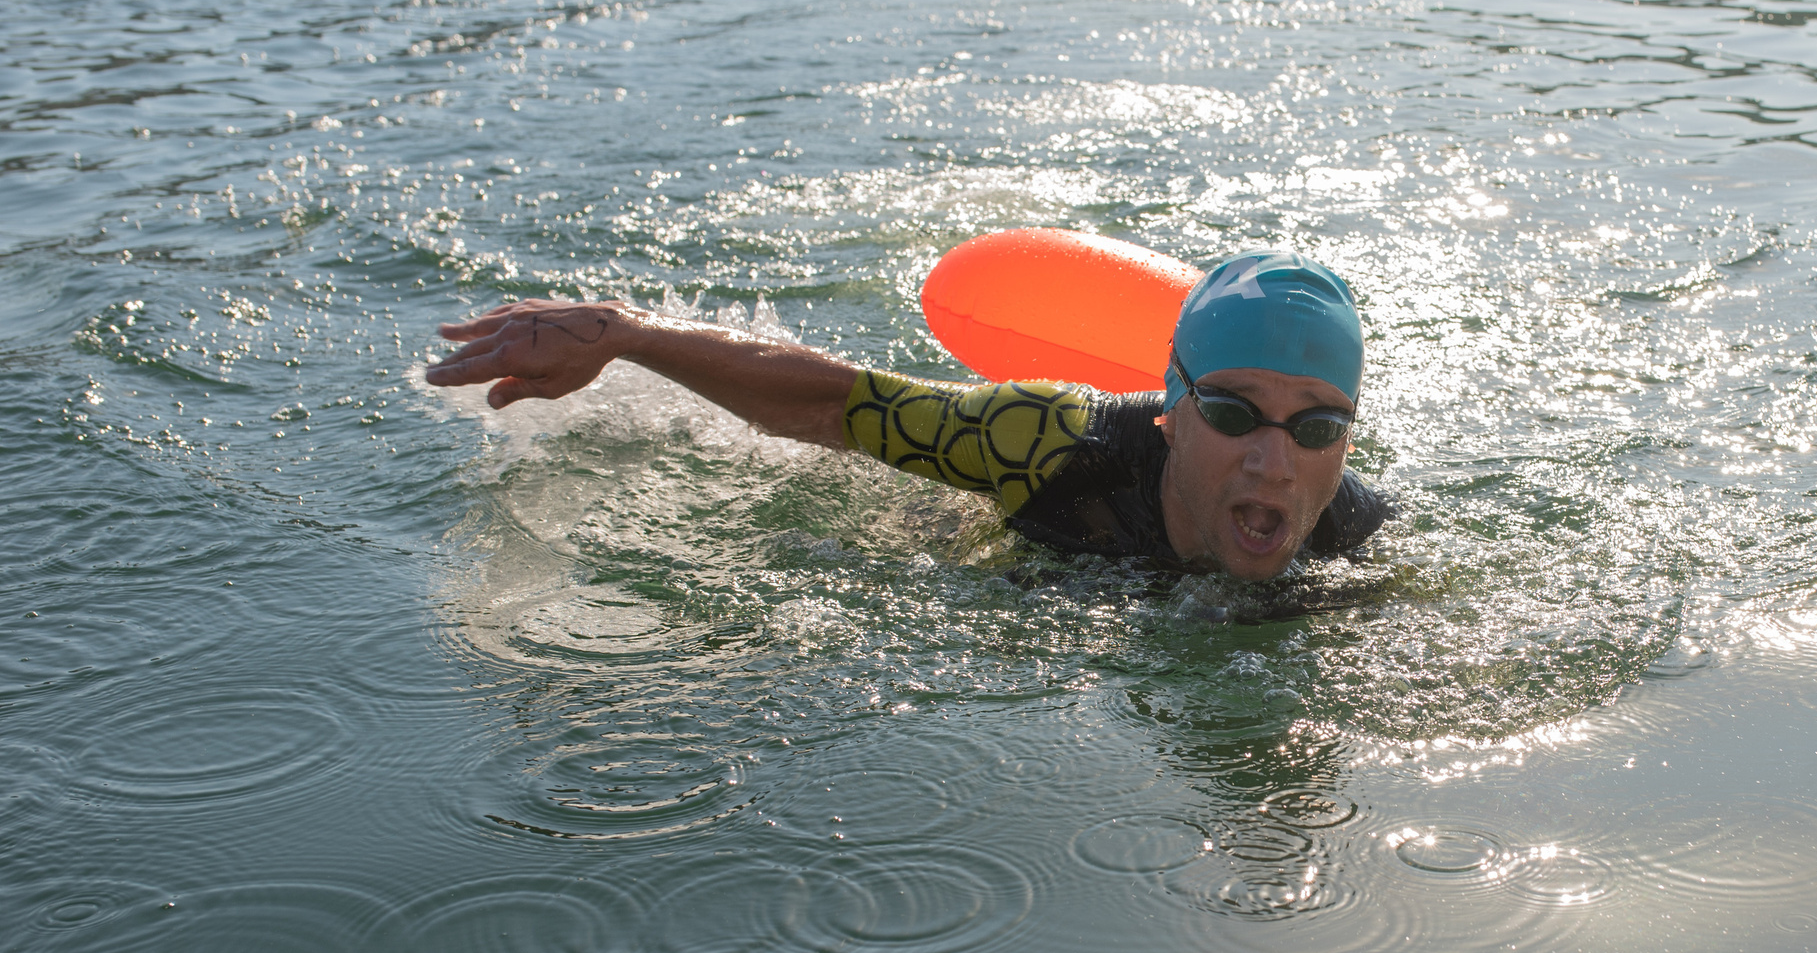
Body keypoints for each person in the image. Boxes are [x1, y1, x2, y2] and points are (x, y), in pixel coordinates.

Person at [423, 250, 1392, 581]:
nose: (1273, 460)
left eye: (1313, 427)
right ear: (1172, 414)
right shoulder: (1054, 441)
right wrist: (626, 336)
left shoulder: (1353, 534)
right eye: (1233, 411)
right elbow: (838, 403)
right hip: (1019, 547)